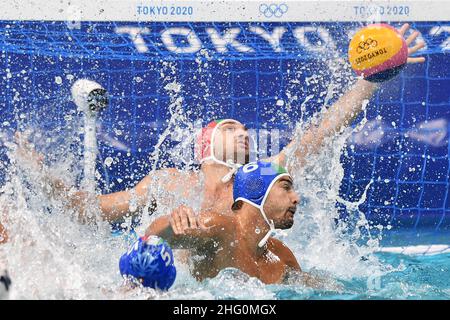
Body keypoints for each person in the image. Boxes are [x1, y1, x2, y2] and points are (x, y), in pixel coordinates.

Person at [15, 23, 425, 225]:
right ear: (205, 144)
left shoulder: (259, 179)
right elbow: (93, 212)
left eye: (244, 129)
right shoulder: (169, 183)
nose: (244, 132)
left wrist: (369, 82)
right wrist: (46, 178)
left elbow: (320, 134)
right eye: (231, 128)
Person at [145, 160, 321, 286]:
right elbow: (152, 240)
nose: (296, 198)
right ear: (256, 192)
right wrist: (171, 221)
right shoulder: (218, 228)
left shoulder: (281, 255)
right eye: (286, 187)